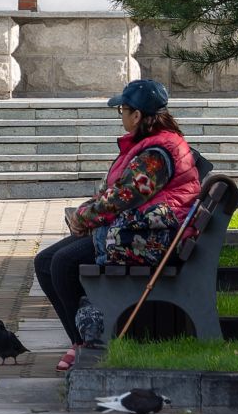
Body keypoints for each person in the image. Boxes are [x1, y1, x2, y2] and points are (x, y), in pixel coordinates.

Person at [33, 78, 202, 370]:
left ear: (137, 115)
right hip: (137, 230)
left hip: (149, 239)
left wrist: (84, 217)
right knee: (46, 260)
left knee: (61, 264)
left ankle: (87, 342)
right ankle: (80, 338)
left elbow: (124, 196)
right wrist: (88, 213)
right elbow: (119, 194)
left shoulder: (156, 155)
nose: (121, 115)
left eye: (123, 109)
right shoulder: (152, 144)